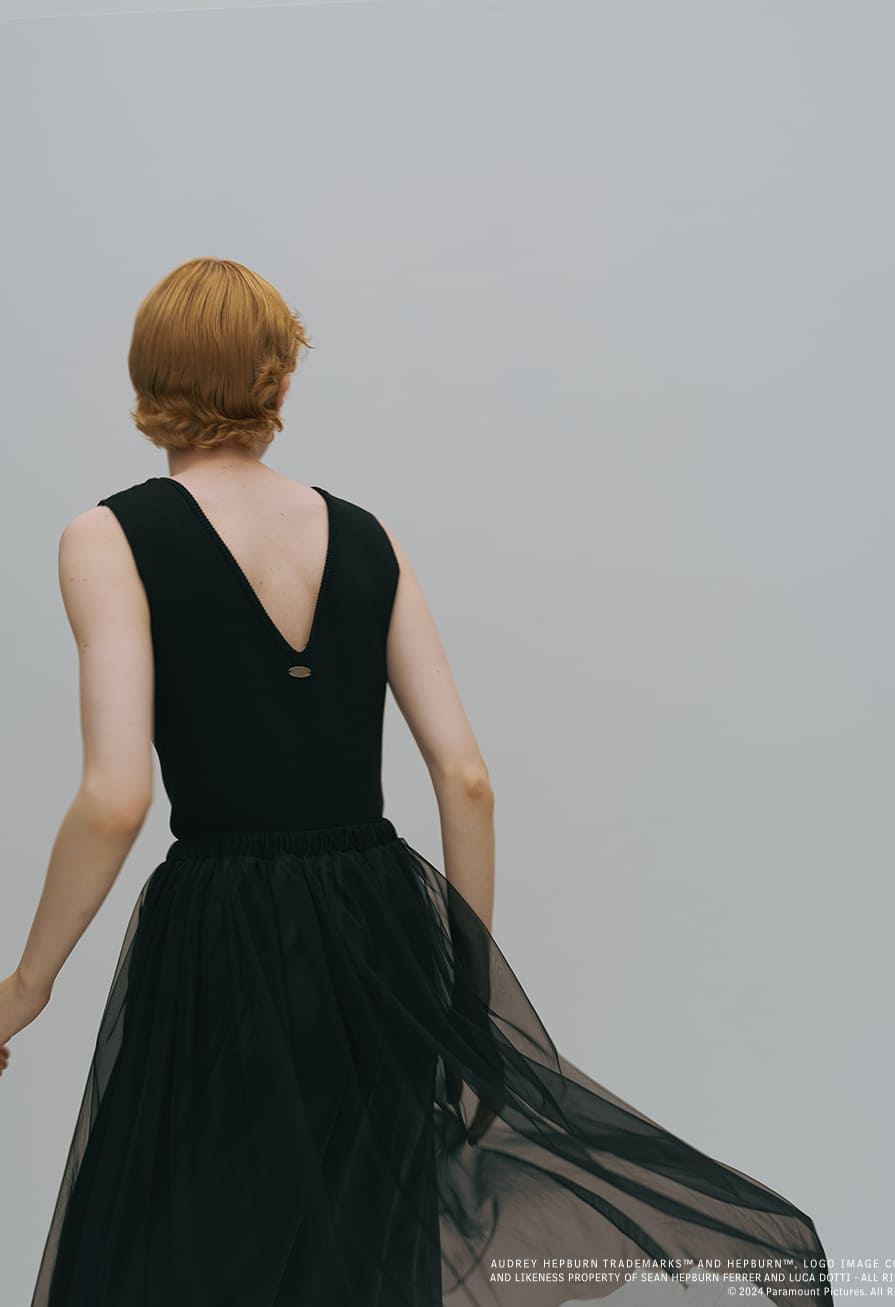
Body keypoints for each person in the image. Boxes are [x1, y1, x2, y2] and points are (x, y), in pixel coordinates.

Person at [3, 257, 834, 1307]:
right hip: (379, 933)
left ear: (144, 376)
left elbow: (115, 796)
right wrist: (469, 1006)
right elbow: (466, 777)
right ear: (278, 380)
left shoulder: (107, 537)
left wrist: (24, 986)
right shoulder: (366, 537)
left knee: (194, 1249)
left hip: (220, 932)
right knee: (361, 1251)